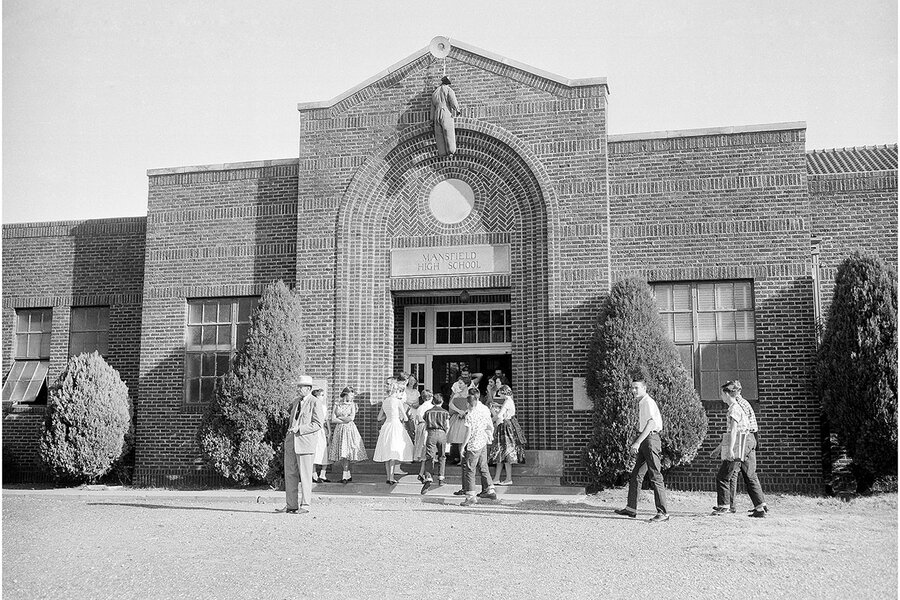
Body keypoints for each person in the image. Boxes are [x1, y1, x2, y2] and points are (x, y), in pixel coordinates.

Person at [615, 368, 669, 522]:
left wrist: (638, 442)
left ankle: (663, 513)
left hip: (650, 440)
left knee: (655, 476)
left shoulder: (647, 402)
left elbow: (651, 423)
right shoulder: (642, 402)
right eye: (632, 387)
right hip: (646, 440)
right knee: (636, 475)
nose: (633, 390)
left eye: (636, 388)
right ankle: (631, 509)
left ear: (644, 388)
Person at [720, 380, 768, 517]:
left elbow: (736, 428)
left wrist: (730, 448)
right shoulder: (744, 403)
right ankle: (760, 506)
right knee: (750, 474)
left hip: (743, 439)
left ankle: (728, 505)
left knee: (731, 472)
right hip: (750, 437)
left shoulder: (737, 405)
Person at [279, 375, 322, 514]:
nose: (299, 389)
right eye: (298, 386)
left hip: (305, 443)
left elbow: (317, 424)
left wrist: (300, 429)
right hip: (292, 442)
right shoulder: (296, 401)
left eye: (301, 386)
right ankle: (291, 504)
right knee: (290, 474)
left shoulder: (315, 402)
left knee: (305, 475)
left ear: (309, 388)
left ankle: (305, 505)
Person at [711, 380, 751, 516]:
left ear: (727, 394)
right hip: (740, 445)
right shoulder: (734, 407)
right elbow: (730, 433)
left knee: (723, 477)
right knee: (729, 475)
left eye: (722, 394)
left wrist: (730, 450)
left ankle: (724, 506)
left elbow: (734, 431)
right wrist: (718, 449)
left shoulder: (734, 408)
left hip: (737, 446)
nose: (721, 397)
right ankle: (729, 505)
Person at [457, 390, 497, 506]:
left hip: (473, 444)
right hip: (483, 441)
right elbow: (489, 425)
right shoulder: (484, 409)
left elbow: (468, 432)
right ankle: (490, 489)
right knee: (483, 466)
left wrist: (463, 446)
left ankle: (470, 496)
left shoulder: (470, 414)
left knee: (470, 469)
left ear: (468, 403)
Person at [373, 376, 414, 484]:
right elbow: (405, 418)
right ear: (395, 391)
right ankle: (391, 478)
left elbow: (378, 418)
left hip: (387, 426)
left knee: (387, 452)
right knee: (393, 452)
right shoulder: (397, 401)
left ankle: (389, 477)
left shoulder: (385, 401)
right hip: (396, 425)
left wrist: (387, 416)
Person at [327, 385, 368, 483]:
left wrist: (340, 418)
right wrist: (343, 419)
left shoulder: (352, 405)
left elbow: (351, 418)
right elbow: (333, 419)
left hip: (349, 430)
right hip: (340, 430)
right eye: (351, 394)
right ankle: (347, 474)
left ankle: (345, 475)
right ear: (346, 394)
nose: (352, 397)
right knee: (341, 453)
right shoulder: (337, 404)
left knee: (347, 452)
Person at [489, 385, 526, 485]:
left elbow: (500, 416)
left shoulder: (507, 401)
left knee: (505, 452)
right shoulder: (509, 400)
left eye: (499, 392)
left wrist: (492, 413)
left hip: (505, 428)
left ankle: (508, 479)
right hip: (509, 426)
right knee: (501, 453)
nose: (498, 394)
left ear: (503, 392)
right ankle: (497, 478)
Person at [447, 369, 482, 464]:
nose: (459, 385)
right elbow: (451, 404)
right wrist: (459, 411)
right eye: (458, 384)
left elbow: (474, 405)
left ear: (466, 384)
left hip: (467, 417)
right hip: (459, 417)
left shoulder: (470, 393)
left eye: (461, 384)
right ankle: (461, 459)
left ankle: (470, 459)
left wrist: (466, 412)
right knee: (459, 439)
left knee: (468, 438)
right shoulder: (457, 393)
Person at [421, 393, 450, 493]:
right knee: (442, 456)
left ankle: (428, 477)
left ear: (433, 401)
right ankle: (441, 477)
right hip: (442, 434)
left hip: (431, 433)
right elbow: (448, 426)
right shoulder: (445, 412)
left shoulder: (428, 412)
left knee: (430, 456)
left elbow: (425, 425)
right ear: (442, 401)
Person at [431, 75, 461, 156]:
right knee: (448, 130)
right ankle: (451, 151)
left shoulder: (435, 92)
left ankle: (442, 152)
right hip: (445, 111)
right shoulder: (448, 89)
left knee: (439, 133)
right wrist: (457, 109)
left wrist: (431, 119)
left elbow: (432, 107)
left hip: (437, 113)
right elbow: (452, 100)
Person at [412, 389, 435, 482]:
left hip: (420, 427)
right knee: (427, 450)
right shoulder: (432, 407)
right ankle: (426, 473)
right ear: (431, 397)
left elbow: (416, 420)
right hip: (428, 427)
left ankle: (422, 472)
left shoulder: (420, 408)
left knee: (423, 451)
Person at [311, 388, 331, 483]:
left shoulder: (324, 407)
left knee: (324, 451)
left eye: (323, 395)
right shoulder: (312, 406)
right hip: (315, 431)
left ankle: (323, 474)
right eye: (321, 395)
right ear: (316, 396)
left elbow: (326, 420)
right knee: (314, 452)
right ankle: (314, 474)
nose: (323, 397)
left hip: (322, 430)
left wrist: (329, 431)